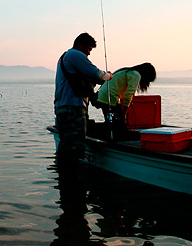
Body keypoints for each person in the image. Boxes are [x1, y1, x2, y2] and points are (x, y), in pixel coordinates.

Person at [54, 32, 112, 160]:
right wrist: (109, 75)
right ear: (81, 45)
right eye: (89, 49)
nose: (89, 53)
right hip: (73, 108)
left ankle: (64, 177)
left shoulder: (64, 57)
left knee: (65, 146)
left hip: (63, 108)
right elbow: (96, 73)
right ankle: (72, 177)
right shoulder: (75, 55)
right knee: (75, 149)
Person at [96, 63, 157, 129]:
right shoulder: (136, 75)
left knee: (111, 121)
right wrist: (124, 110)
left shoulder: (128, 72)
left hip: (103, 95)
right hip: (110, 96)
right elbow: (129, 94)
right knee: (120, 122)